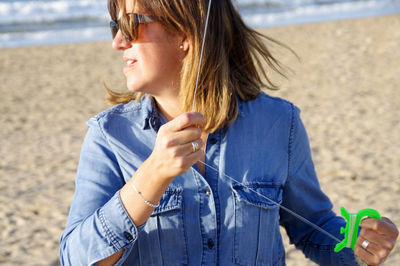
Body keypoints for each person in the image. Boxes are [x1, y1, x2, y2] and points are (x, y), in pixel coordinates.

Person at [59, 0, 398, 265]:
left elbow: (313, 228)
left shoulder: (280, 122)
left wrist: (358, 246)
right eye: (115, 26)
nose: (118, 41)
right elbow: (75, 257)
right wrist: (149, 177)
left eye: (132, 25)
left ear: (185, 33)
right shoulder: (109, 135)